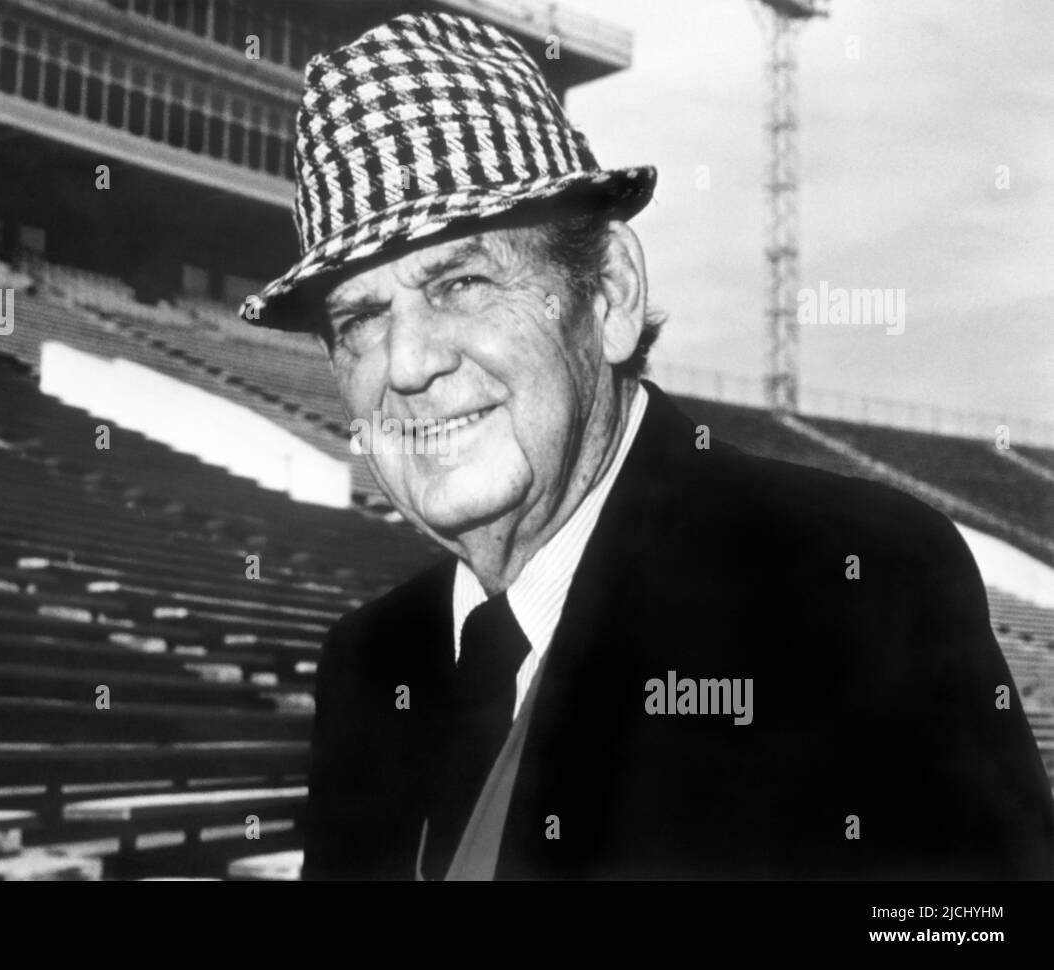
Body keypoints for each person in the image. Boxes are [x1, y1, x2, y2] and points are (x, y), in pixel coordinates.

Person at [239, 11, 1054, 880]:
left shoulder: (849, 582)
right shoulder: (371, 662)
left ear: (611, 296)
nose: (407, 364)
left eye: (463, 282)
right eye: (360, 319)